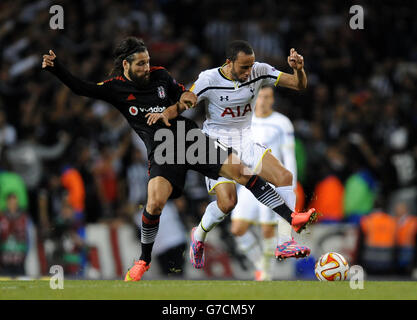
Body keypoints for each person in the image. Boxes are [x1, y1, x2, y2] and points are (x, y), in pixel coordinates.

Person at [42, 37, 315, 281]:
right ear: (126, 65)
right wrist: (57, 69)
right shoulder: (115, 88)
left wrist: (180, 103)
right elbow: (81, 88)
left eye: (147, 61)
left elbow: (183, 95)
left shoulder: (161, 76)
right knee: (155, 202)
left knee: (243, 173)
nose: (146, 67)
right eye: (140, 64)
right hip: (163, 149)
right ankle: (143, 260)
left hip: (189, 138)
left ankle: (291, 219)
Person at [152, 40, 315, 269]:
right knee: (228, 203)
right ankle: (198, 236)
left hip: (245, 139)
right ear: (229, 63)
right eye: (243, 67)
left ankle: (284, 241)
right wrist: (167, 113)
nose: (249, 72)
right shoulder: (208, 80)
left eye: (251, 66)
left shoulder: (260, 70)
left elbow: (299, 86)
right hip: (215, 144)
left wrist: (298, 69)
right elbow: (180, 105)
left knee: (284, 177)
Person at [230, 85, 303, 281]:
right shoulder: (245, 120)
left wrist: (290, 186)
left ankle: (266, 274)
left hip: (272, 183)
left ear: (272, 99)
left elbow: (289, 155)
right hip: (248, 182)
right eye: (260, 96)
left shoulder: (282, 123)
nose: (263, 100)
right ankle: (260, 265)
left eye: (268, 97)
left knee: (267, 229)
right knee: (237, 229)